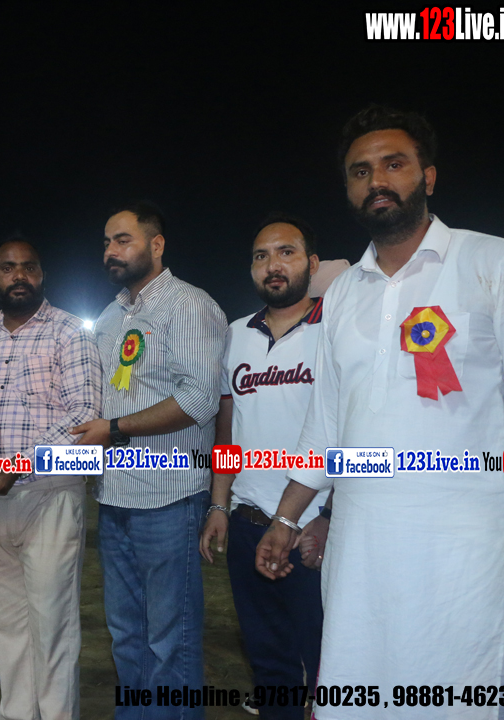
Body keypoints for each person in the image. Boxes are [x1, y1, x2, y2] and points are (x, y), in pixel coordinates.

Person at [256, 105, 504, 719]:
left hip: (462, 554)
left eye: (394, 164)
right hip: (361, 556)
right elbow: (325, 426)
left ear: (428, 176)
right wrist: (286, 517)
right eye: (360, 171)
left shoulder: (497, 264)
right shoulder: (343, 294)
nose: (376, 180)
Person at [73, 201, 226, 719]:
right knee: (126, 635)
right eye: (106, 242)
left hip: (169, 499)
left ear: (156, 244)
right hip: (114, 498)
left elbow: (200, 399)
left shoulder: (189, 306)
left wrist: (115, 430)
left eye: (123, 240)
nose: (111, 251)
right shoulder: (110, 316)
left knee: (170, 640)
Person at [199, 214, 329, 718]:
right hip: (250, 524)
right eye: (261, 256)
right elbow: (227, 430)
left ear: (311, 263)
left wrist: (331, 515)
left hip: (315, 530)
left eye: (286, 252)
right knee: (270, 666)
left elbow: (360, 432)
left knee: (330, 667)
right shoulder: (236, 335)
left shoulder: (337, 329)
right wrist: (220, 506)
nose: (273, 265)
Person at [0, 237, 101, 720]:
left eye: (28, 267)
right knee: (5, 626)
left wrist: (17, 465)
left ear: (42, 276)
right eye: (7, 268)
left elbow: (85, 417)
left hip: (49, 495)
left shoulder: (69, 331)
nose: (18, 276)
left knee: (52, 626)